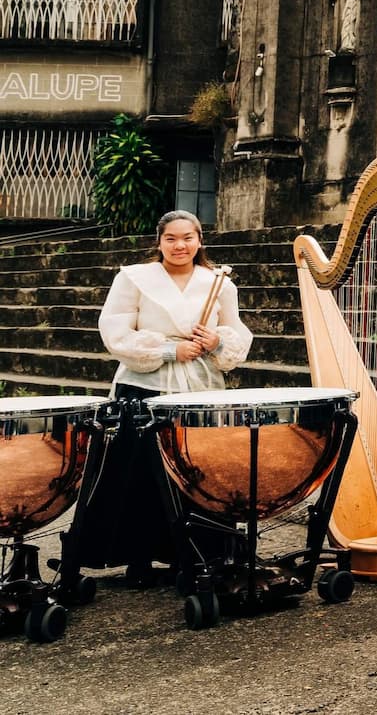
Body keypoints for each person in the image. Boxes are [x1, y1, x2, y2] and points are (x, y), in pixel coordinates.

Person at [86, 210, 252, 580]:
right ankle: (138, 555)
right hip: (144, 384)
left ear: (199, 241)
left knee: (199, 471)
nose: (180, 246)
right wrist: (167, 351)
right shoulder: (134, 278)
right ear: (159, 242)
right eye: (171, 239)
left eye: (188, 238)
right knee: (140, 471)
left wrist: (216, 341)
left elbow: (235, 331)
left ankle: (195, 552)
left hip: (200, 385)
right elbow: (115, 332)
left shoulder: (219, 282)